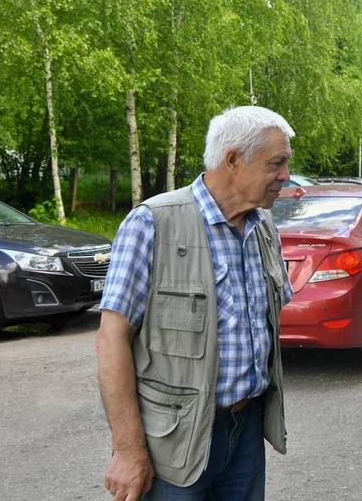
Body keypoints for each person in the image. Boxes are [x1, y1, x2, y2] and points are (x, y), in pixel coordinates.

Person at [95, 106, 295, 501]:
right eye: (277, 163)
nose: (285, 176)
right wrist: (129, 450)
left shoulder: (263, 226)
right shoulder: (153, 222)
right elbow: (111, 340)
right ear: (233, 160)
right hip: (175, 440)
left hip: (247, 430)